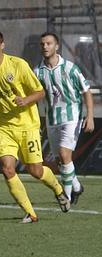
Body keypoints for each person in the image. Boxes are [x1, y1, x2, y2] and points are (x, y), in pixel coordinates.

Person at [0, 28, 70, 224]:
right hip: (4, 127)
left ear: (2, 45)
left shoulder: (18, 65)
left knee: (35, 171)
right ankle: (31, 213)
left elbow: (40, 92)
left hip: (27, 125)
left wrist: (25, 100)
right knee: (7, 168)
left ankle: (57, 188)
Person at [34, 32, 95, 203]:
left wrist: (89, 116)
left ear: (57, 46)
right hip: (52, 119)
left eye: (49, 43)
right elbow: (36, 96)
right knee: (60, 160)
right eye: (42, 44)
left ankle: (66, 198)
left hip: (72, 116)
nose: (45, 47)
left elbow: (86, 92)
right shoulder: (37, 71)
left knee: (64, 154)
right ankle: (76, 186)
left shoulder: (70, 68)